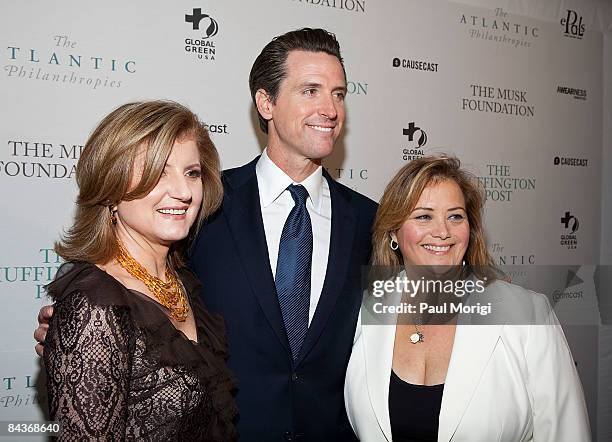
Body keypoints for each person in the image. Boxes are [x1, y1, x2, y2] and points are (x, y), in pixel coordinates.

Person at [36, 29, 378, 440]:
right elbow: (128, 293)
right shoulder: (204, 209)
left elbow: (420, 329)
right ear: (265, 103)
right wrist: (83, 337)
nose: (329, 108)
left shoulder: (372, 220)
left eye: (339, 94)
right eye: (310, 90)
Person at [344, 155, 591, 441]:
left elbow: (567, 432)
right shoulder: (363, 311)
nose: (442, 232)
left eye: (455, 216)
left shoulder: (527, 313)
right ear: (393, 232)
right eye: (424, 216)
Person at [42, 100, 236, 440]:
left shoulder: (183, 282)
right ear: (112, 189)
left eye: (192, 173)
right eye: (158, 172)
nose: (183, 192)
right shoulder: (95, 306)